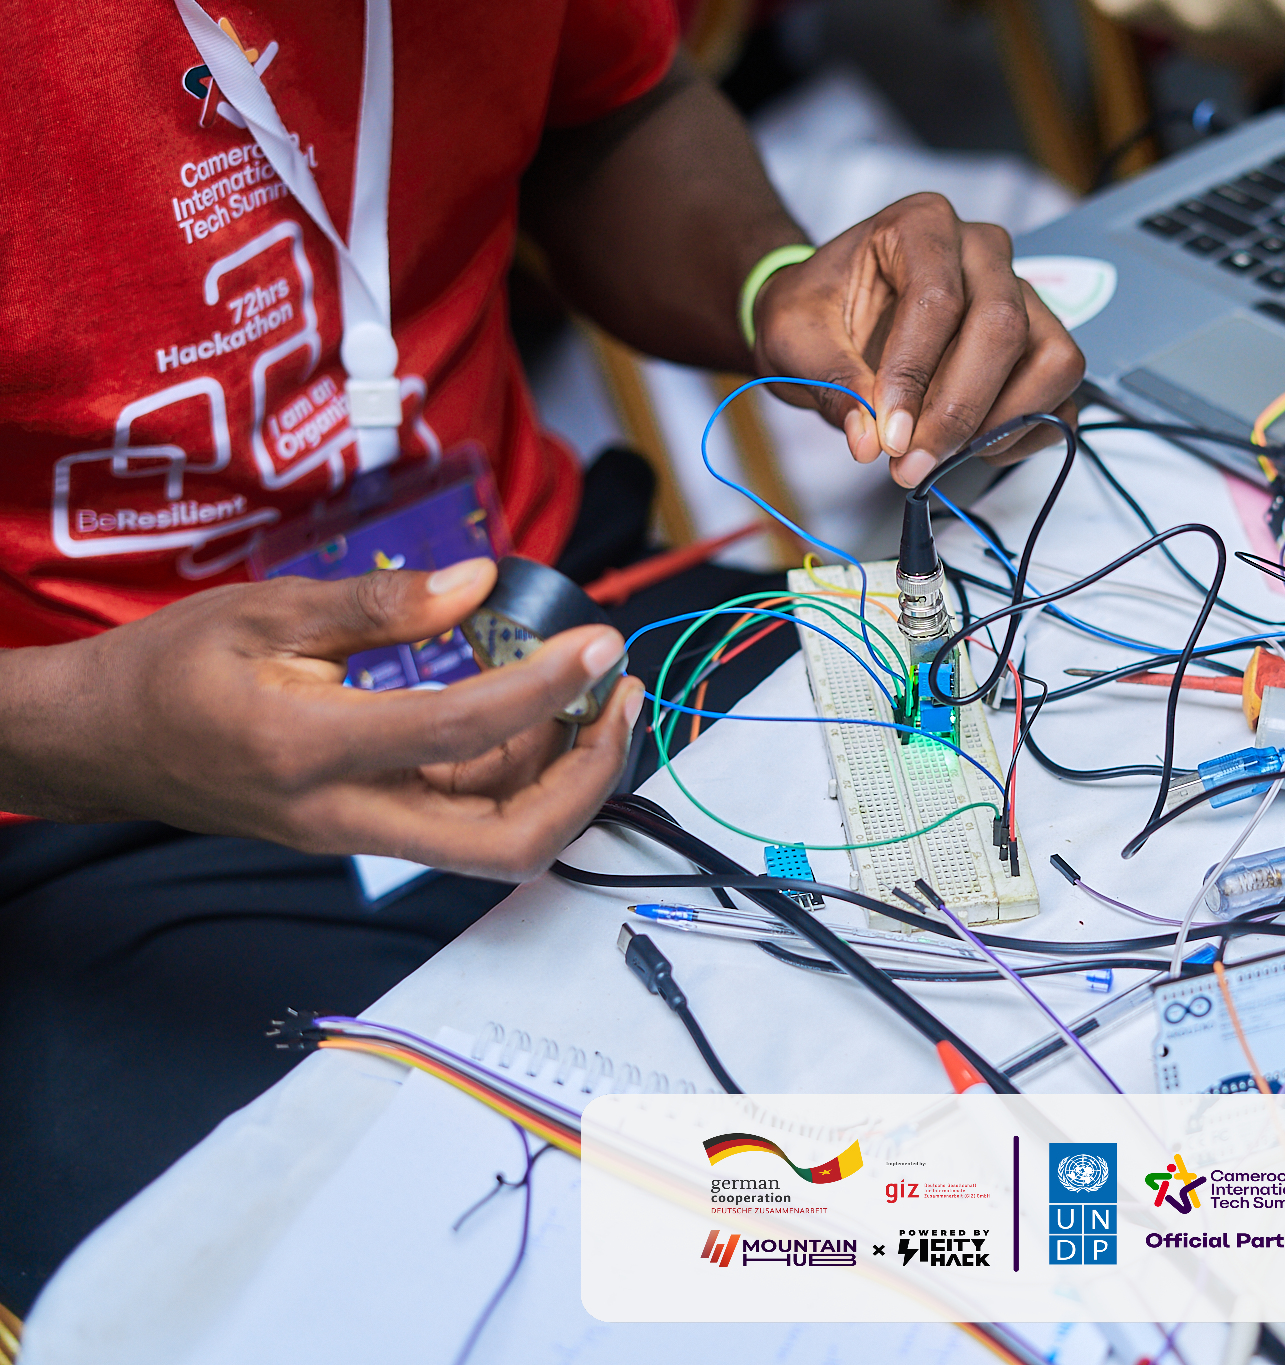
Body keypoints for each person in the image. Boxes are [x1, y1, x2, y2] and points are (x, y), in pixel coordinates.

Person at [0, 0, 1083, 1309]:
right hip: (81, 797)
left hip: (547, 605)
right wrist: (100, 726)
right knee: (453, 1281)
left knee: (1043, 1024)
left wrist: (770, 284)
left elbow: (604, 106)